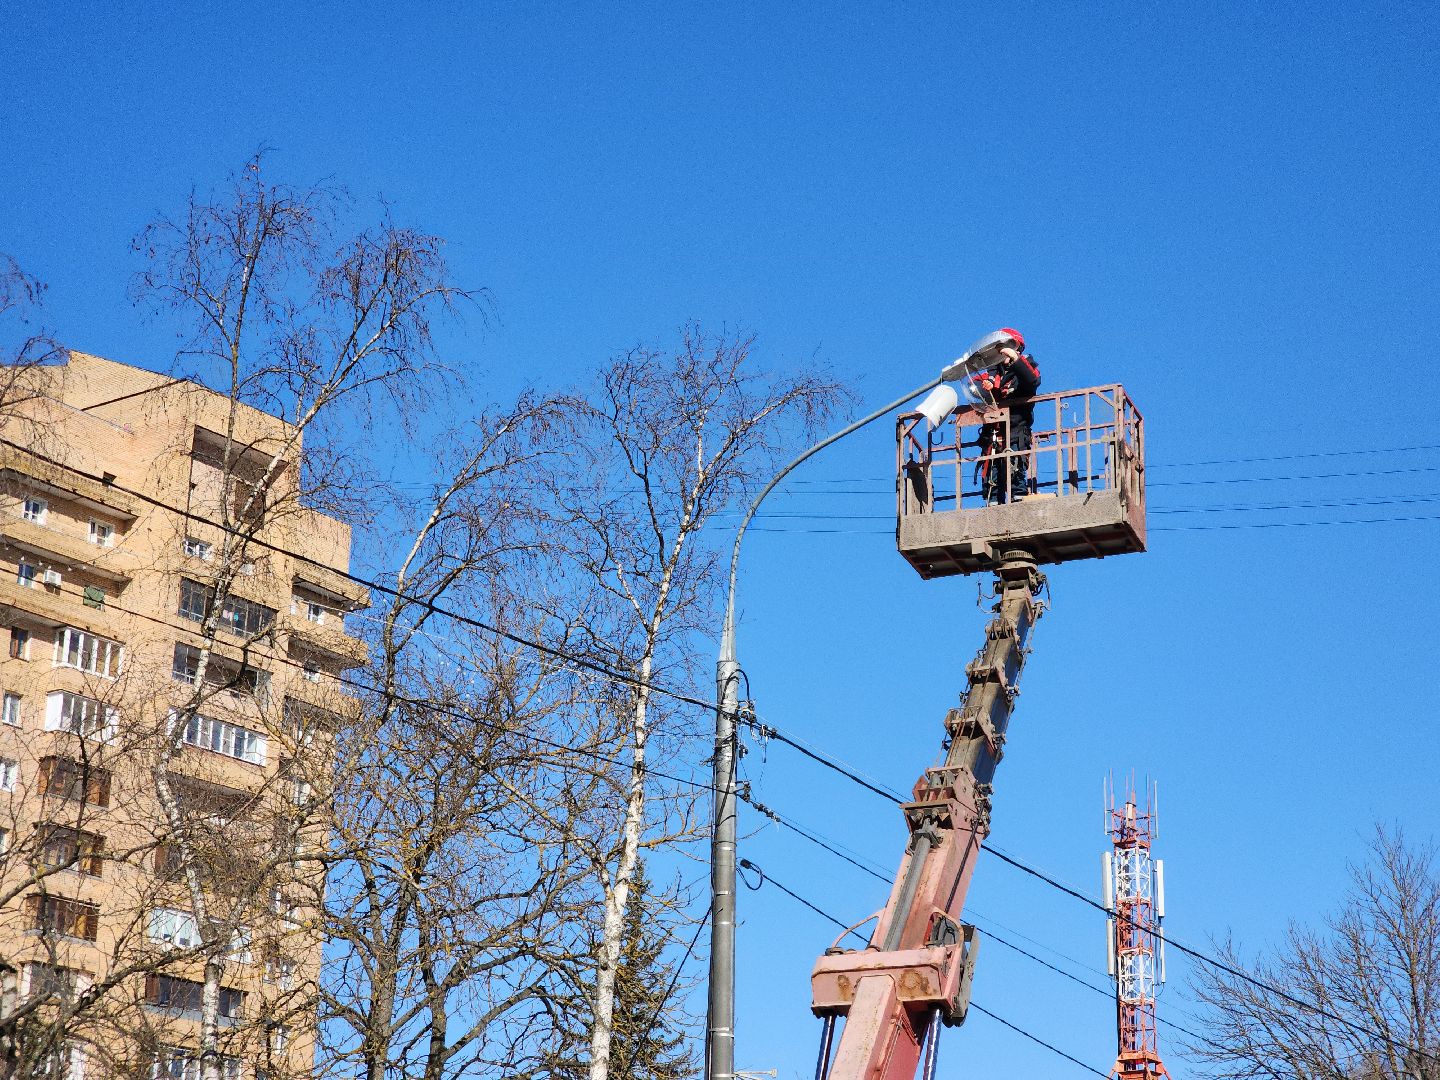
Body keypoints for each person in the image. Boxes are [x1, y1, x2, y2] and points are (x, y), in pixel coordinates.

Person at [975, 328, 1041, 504]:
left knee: (1015, 467)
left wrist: (1015, 359)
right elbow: (973, 385)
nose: (1001, 352)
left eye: (1005, 347)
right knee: (992, 475)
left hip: (1015, 430)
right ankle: (992, 501)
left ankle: (1017, 499)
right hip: (993, 434)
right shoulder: (992, 372)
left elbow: (1032, 380)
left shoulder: (1025, 367)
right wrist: (986, 386)